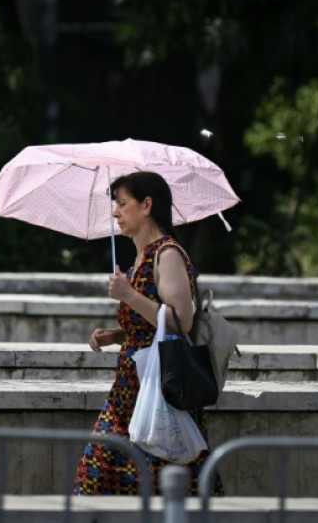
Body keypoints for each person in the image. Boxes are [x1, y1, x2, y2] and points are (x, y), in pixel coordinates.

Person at [72, 171, 224, 496]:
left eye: (122, 204)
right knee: (103, 476)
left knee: (159, 477)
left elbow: (180, 321)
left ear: (147, 205)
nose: (115, 213)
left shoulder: (167, 254)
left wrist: (129, 296)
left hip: (160, 387)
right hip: (130, 390)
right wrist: (116, 335)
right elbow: (148, 326)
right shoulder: (141, 256)